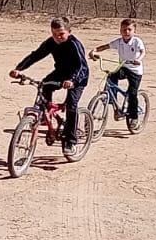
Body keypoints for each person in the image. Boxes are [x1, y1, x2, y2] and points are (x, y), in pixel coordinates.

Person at [10, 17, 89, 151]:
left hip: (78, 77)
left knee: (71, 105)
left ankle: (70, 140)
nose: (58, 37)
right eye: (54, 34)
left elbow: (81, 66)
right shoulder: (51, 42)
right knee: (44, 86)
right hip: (61, 72)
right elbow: (35, 55)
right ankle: (47, 116)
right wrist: (19, 69)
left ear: (69, 31)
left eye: (61, 34)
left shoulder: (74, 44)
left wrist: (72, 80)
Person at [90, 18, 145, 123]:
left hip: (135, 70)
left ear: (134, 31)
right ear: (120, 30)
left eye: (129, 29)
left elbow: (142, 52)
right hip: (123, 67)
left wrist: (138, 59)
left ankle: (134, 117)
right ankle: (114, 104)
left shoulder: (137, 41)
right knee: (111, 76)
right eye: (124, 30)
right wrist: (94, 50)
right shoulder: (119, 42)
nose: (126, 32)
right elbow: (106, 46)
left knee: (132, 94)